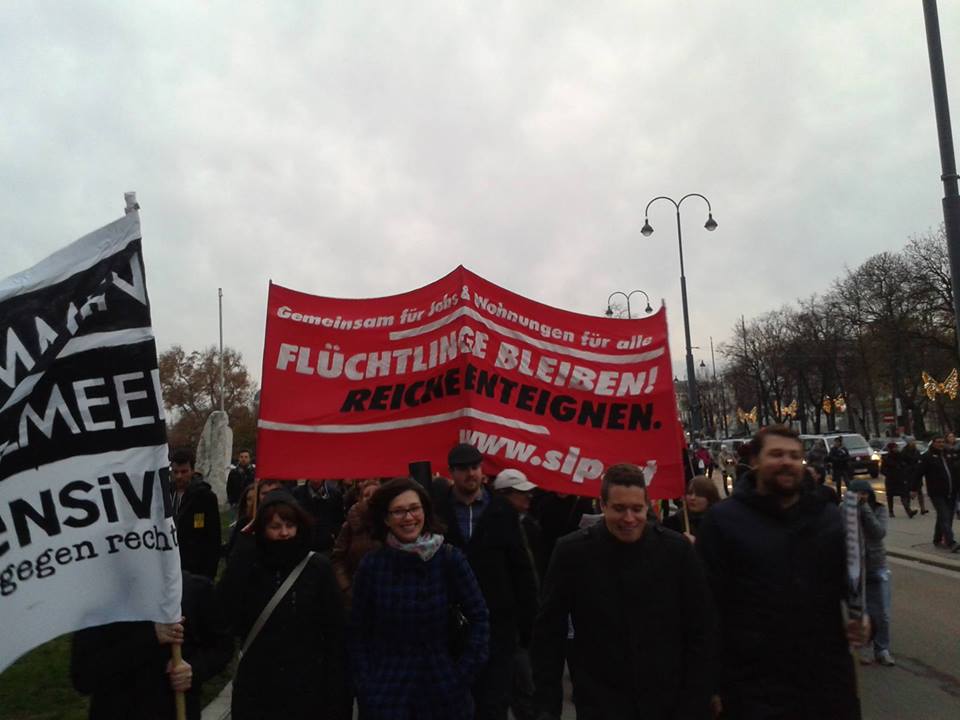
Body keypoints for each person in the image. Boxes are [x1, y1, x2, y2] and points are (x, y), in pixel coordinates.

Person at [697, 425, 864, 719]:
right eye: (776, 454)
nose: (787, 462)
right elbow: (705, 607)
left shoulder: (828, 518)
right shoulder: (723, 521)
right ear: (755, 461)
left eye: (794, 456)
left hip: (825, 683)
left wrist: (863, 617)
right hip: (752, 687)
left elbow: (850, 583)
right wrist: (710, 684)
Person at [531, 463, 716, 719]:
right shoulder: (571, 553)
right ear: (603, 505)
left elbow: (701, 628)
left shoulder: (676, 551)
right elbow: (549, 633)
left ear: (647, 506)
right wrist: (546, 707)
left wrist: (698, 698)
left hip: (669, 701)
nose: (629, 519)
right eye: (619, 509)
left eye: (636, 509)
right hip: (601, 701)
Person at [349, 478, 490, 720]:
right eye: (398, 511)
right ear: (386, 519)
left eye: (414, 508)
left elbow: (479, 617)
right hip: (387, 691)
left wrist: (462, 674)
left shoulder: (449, 559)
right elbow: (357, 630)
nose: (408, 517)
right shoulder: (372, 565)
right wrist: (366, 683)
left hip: (443, 687)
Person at [431, 443, 539, 720]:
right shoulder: (437, 509)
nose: (471, 474)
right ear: (452, 472)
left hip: (497, 623)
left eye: (475, 467)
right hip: (449, 623)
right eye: (463, 468)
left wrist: (527, 624)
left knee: (493, 702)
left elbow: (520, 567)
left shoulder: (501, 510)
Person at [218, 492, 347, 719]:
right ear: (262, 530)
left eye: (290, 525)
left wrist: (337, 693)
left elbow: (335, 630)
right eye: (275, 527)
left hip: (307, 685)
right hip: (258, 685)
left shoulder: (317, 568)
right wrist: (243, 548)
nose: (284, 533)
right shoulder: (250, 564)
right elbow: (225, 613)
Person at [71, 571, 232, 720]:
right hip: (117, 710)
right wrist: (150, 638)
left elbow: (222, 647)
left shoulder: (192, 590)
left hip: (175, 710)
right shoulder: (100, 602)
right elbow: (83, 677)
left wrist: (194, 669)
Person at [492, 468, 544, 720]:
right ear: (504, 495)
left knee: (526, 690)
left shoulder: (531, 526)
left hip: (524, 621)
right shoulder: (492, 527)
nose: (528, 497)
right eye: (521, 492)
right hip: (503, 621)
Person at [849, 479, 895, 666]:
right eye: (858, 494)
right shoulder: (844, 510)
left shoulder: (878, 509)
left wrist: (865, 509)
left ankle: (882, 649)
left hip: (876, 565)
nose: (862, 497)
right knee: (861, 611)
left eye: (865, 493)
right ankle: (864, 648)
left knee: (882, 612)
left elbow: (879, 532)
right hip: (855, 568)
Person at [170, 448, 222, 580]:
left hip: (195, 567)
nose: (179, 476)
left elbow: (214, 537)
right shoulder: (165, 494)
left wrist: (209, 573)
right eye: (175, 472)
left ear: (192, 471)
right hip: (170, 562)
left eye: (184, 472)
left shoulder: (205, 497)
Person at [330, 478, 382, 606]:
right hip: (356, 592)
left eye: (375, 495)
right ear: (360, 499)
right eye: (367, 495)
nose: (371, 498)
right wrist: (346, 587)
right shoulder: (349, 526)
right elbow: (337, 559)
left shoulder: (389, 524)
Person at [917, 436, 957, 549]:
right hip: (936, 492)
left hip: (951, 491)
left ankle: (937, 539)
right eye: (938, 442)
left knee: (944, 517)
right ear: (933, 443)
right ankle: (950, 542)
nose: (941, 444)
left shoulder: (948, 455)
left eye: (942, 442)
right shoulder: (927, 457)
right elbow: (918, 473)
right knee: (944, 515)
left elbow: (954, 471)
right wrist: (913, 488)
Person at [293, 478, 346, 554]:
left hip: (326, 546)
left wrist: (332, 534)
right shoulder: (296, 493)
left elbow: (339, 519)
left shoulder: (335, 493)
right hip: (303, 545)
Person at [663, 474, 721, 541]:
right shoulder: (674, 522)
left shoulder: (719, 523)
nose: (692, 498)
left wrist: (696, 544)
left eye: (699, 494)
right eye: (689, 493)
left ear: (710, 498)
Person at [880, 443, 915, 518]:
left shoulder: (901, 455)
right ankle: (891, 511)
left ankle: (909, 511)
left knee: (904, 494)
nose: (896, 449)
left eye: (896, 447)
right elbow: (882, 470)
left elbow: (910, 461)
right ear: (890, 449)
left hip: (900, 478)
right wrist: (888, 474)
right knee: (890, 496)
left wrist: (905, 471)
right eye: (894, 448)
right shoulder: (886, 457)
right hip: (891, 479)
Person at [901, 439, 928, 514]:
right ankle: (909, 509)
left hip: (917, 472)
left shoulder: (916, 451)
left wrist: (919, 466)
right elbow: (902, 462)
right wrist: (907, 468)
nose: (913, 443)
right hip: (908, 474)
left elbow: (920, 459)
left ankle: (922, 508)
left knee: (919, 490)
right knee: (908, 491)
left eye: (913, 442)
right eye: (911, 442)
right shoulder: (904, 452)